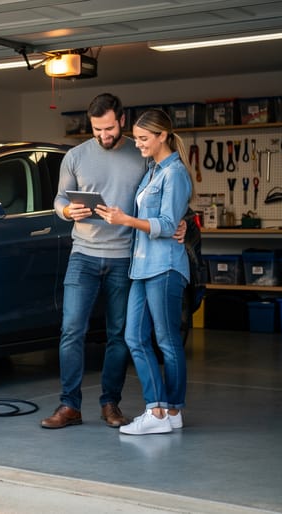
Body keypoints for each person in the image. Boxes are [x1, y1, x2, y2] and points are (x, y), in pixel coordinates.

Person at [41, 93, 147, 430]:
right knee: (71, 331)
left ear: (122, 121)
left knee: (118, 334)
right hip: (83, 255)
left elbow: (154, 201)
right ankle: (69, 405)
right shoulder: (75, 156)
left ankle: (110, 404)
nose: (103, 135)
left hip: (123, 258)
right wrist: (68, 210)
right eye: (97, 129)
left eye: (109, 128)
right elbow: (60, 198)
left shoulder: (141, 155)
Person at [95, 108, 193, 435]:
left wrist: (126, 220)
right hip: (141, 266)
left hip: (164, 266)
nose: (137, 144)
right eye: (136, 138)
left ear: (162, 136)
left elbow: (166, 223)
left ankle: (166, 411)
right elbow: (171, 220)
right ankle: (162, 410)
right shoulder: (152, 171)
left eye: (143, 138)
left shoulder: (174, 173)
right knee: (134, 336)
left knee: (166, 341)